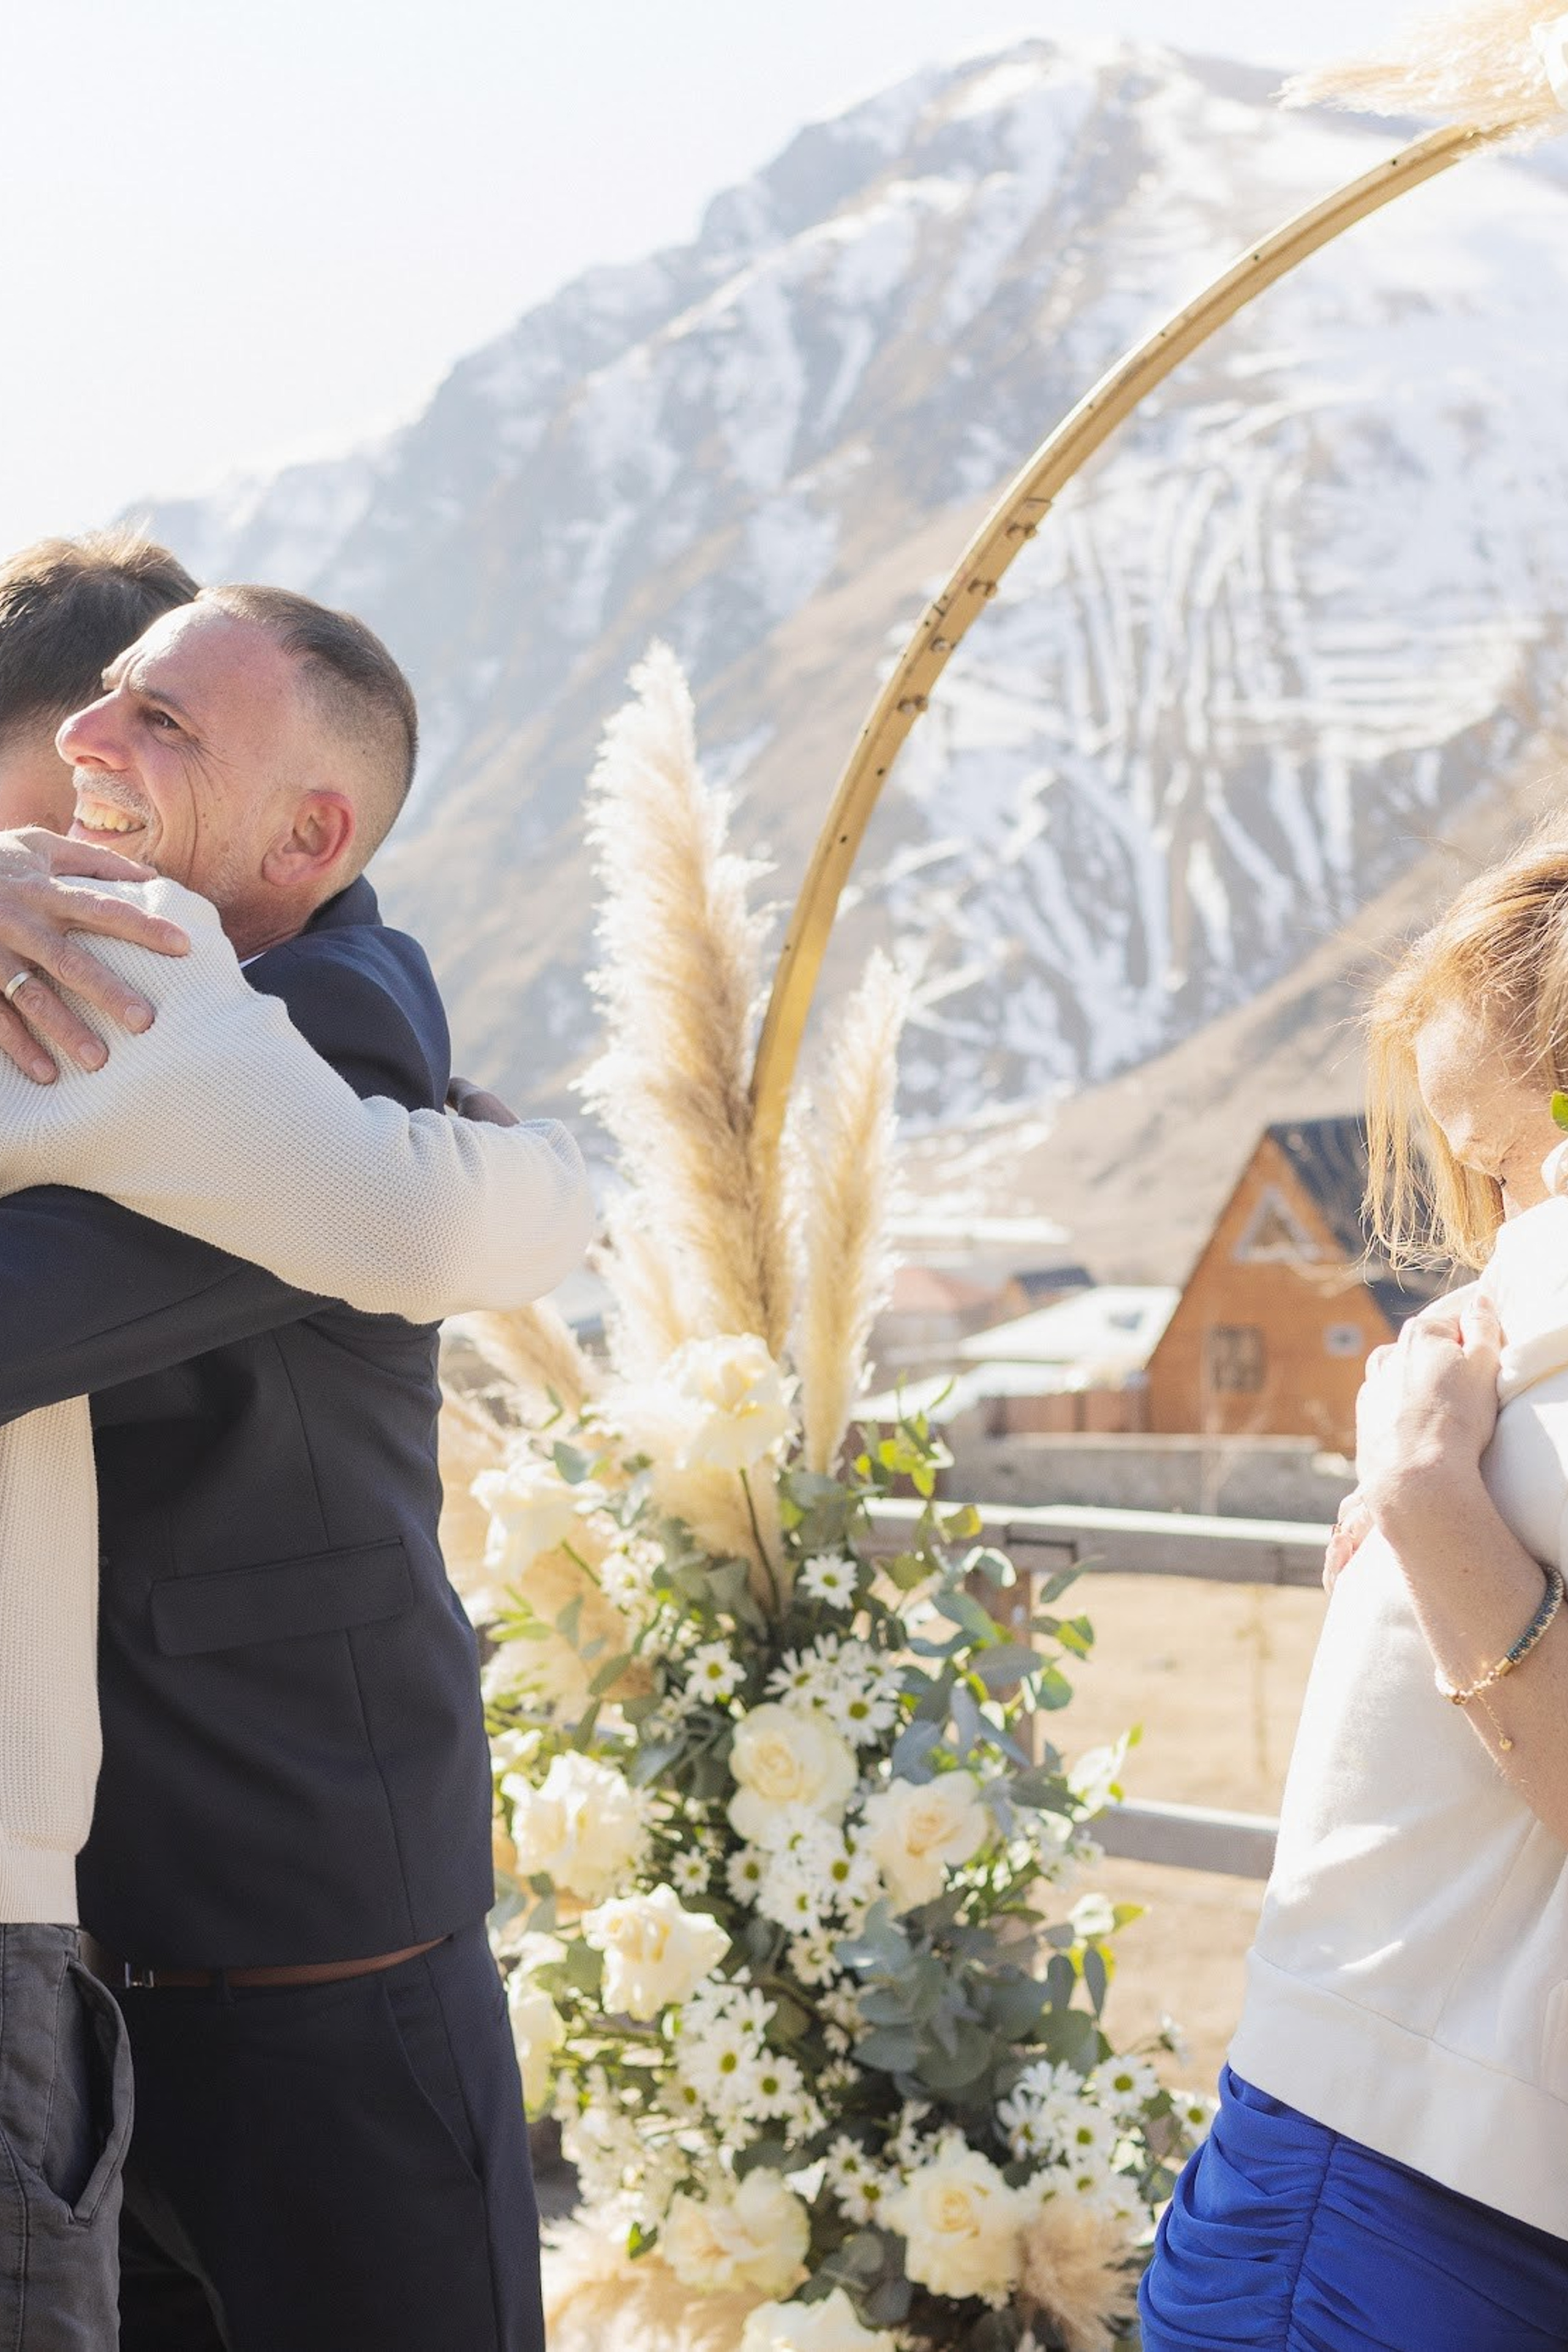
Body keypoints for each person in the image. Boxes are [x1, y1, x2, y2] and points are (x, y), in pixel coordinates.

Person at [0, 582, 589, 2351]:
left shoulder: (315, 1017)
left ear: (307, 832)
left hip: (317, 1951)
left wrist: (539, 1187)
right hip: (104, 1961)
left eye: (164, 724)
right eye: (104, 702)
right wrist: (530, 1183)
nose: (94, 753)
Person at [1140, 827, 1568, 2352]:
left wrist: (1420, 1494)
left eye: (1504, 1157)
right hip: (1414, 2157)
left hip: (1393, 2175)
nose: (1493, 1223)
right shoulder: (1498, 1349)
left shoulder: (1499, 1348)